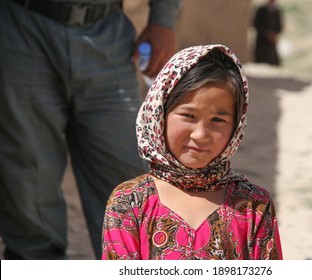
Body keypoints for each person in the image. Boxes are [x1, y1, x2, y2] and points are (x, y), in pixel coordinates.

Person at [0, 0, 181, 259]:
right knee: (28, 184)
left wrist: (163, 19)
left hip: (107, 32)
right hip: (21, 28)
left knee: (130, 183)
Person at [101, 44, 283, 260]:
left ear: (236, 126)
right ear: (159, 114)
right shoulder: (129, 202)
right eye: (189, 116)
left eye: (218, 120)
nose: (200, 135)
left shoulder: (254, 206)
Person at [253, 0, 284, 66]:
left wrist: (273, 34)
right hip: (261, 41)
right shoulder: (261, 10)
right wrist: (266, 34)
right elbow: (256, 24)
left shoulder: (277, 12)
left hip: (271, 43)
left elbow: (279, 27)